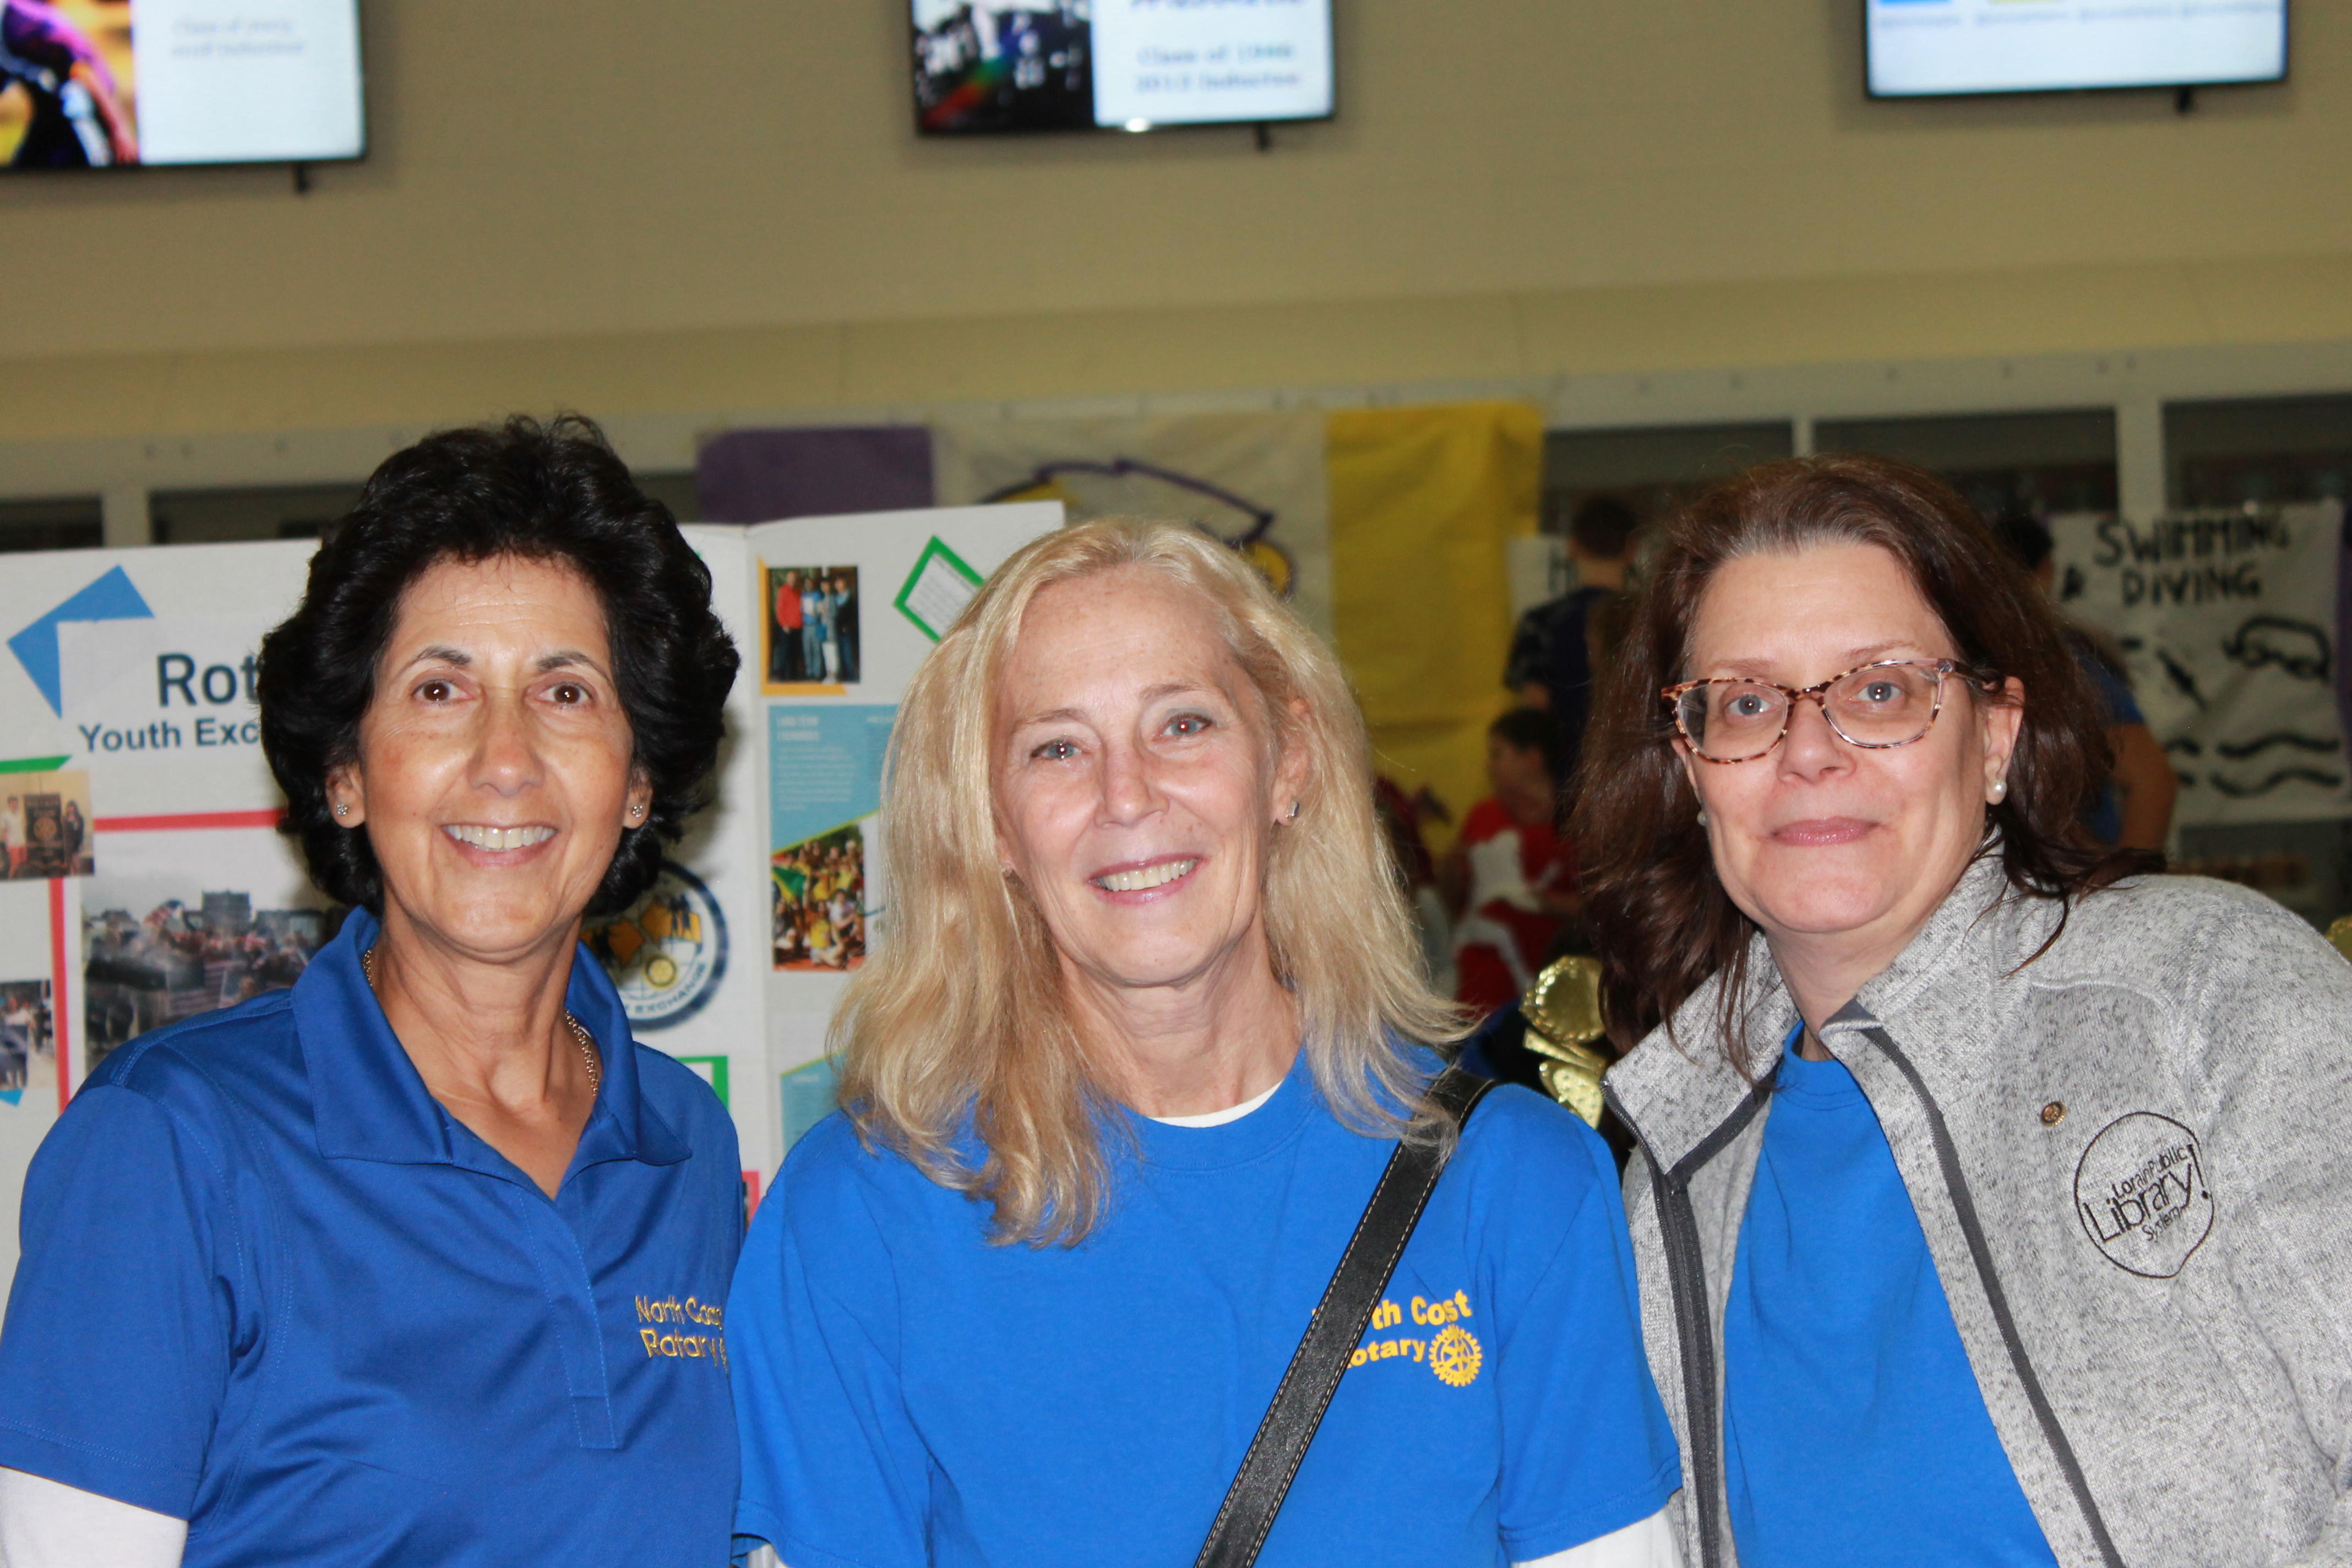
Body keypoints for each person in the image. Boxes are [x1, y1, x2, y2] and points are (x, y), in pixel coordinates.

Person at [728, 519, 1682, 1568]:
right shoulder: (862, 1213)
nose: (1127, 794)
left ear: (1287, 760)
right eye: (1057, 747)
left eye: (1182, 724)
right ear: (993, 822)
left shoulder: (1511, 1179)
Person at [1577, 454, 2352, 1568]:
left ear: (1994, 735)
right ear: (1692, 766)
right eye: (1746, 702)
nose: (1809, 751)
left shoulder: (2207, 994)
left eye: (1879, 691)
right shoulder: (1672, 1164)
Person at [0, 417, 747, 1567]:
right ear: (346, 774)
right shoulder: (173, 1140)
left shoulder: (686, 1145)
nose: (506, 758)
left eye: (566, 691)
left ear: (637, 780)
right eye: (440, 688)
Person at [1992, 513, 2178, 851]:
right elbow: (2152, 781)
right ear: (2048, 570)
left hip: (2066, 869)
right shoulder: (1975, 659)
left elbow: (2152, 781)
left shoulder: (2065, 665)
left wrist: (2122, 879)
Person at [1442, 707, 1580, 1015]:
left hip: (1554, 981)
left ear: (1532, 759)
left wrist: (1535, 901)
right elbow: (1456, 900)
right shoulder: (1484, 816)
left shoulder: (1576, 823)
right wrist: (1451, 869)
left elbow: (1600, 909)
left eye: (1498, 754)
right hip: (1481, 981)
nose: (1488, 765)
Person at [1506, 495, 1641, 787]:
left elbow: (1534, 716)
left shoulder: (1540, 624)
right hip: (1640, 779)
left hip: (1567, 783)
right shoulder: (1651, 620)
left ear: (1572, 546)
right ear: (1632, 549)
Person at [0, 0, 137, 168]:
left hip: (82, 107)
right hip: (49, 112)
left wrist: (119, 131)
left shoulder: (20, 23)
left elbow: (82, 69)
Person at [773, 568, 805, 682]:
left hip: (798, 628)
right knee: (785, 653)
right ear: (787, 579)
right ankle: (782, 676)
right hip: (787, 628)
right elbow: (779, 610)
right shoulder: (783, 591)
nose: (793, 581)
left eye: (794, 579)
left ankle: (793, 676)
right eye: (791, 578)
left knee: (795, 654)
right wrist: (784, 624)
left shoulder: (799, 591)